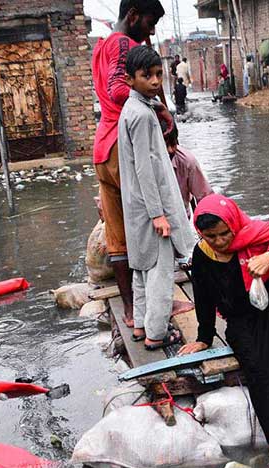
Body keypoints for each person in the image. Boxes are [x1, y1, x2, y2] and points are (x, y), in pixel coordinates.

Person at [178, 194, 269, 468]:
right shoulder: (203, 253)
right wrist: (204, 337)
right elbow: (202, 295)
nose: (219, 241)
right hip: (241, 318)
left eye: (224, 233)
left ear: (234, 223)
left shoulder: (257, 233)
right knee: (258, 367)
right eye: (211, 236)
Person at [91, 0, 171, 328]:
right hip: (124, 150)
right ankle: (154, 306)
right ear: (134, 16)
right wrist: (159, 108)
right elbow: (116, 89)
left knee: (119, 238)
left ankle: (130, 310)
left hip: (102, 150)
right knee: (153, 225)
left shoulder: (103, 45)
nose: (152, 31)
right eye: (150, 23)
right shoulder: (123, 44)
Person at [118, 45, 197, 351]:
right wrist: (158, 214)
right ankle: (156, 333)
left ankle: (140, 327)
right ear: (129, 79)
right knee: (161, 274)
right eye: (146, 76)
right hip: (151, 209)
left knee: (141, 269)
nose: (154, 81)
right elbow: (146, 167)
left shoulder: (134, 110)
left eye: (158, 74)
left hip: (136, 208)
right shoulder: (141, 116)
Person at [163, 121, 213, 217]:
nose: (170, 150)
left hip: (180, 218)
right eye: (165, 146)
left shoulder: (186, 161)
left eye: (173, 144)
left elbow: (205, 197)